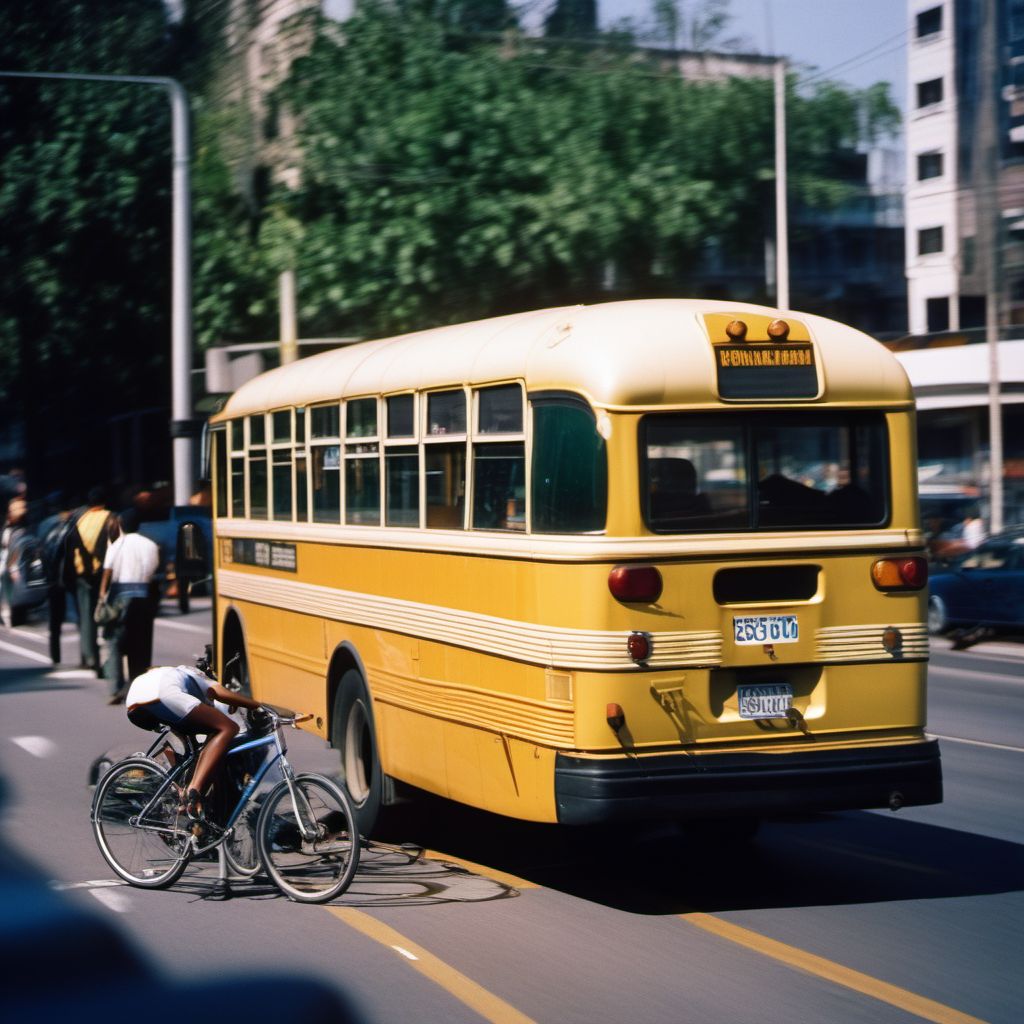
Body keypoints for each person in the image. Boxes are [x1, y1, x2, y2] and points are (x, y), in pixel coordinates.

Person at [124, 664, 264, 824]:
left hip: (136, 702)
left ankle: (181, 798)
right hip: (162, 695)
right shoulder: (196, 674)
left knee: (197, 749)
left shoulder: (176, 673)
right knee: (228, 728)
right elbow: (218, 692)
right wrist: (260, 705)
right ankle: (193, 790)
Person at [98, 509, 160, 702]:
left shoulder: (117, 545)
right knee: (141, 643)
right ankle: (139, 687)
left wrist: (102, 595)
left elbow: (107, 572)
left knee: (115, 641)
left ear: (121, 525)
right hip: (145, 594)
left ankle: (116, 688)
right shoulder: (150, 545)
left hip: (120, 594)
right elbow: (154, 569)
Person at [67, 487, 117, 672]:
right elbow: (116, 544)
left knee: (87, 617)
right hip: (104, 573)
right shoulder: (110, 518)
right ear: (104, 502)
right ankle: (111, 660)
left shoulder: (80, 519)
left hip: (82, 574)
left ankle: (90, 657)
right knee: (109, 615)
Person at [37, 493, 79, 664]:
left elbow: (40, 551)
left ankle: (55, 656)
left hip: (51, 579)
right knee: (80, 616)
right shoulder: (74, 524)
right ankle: (87, 656)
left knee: (55, 621)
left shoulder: (44, 525)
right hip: (72, 576)